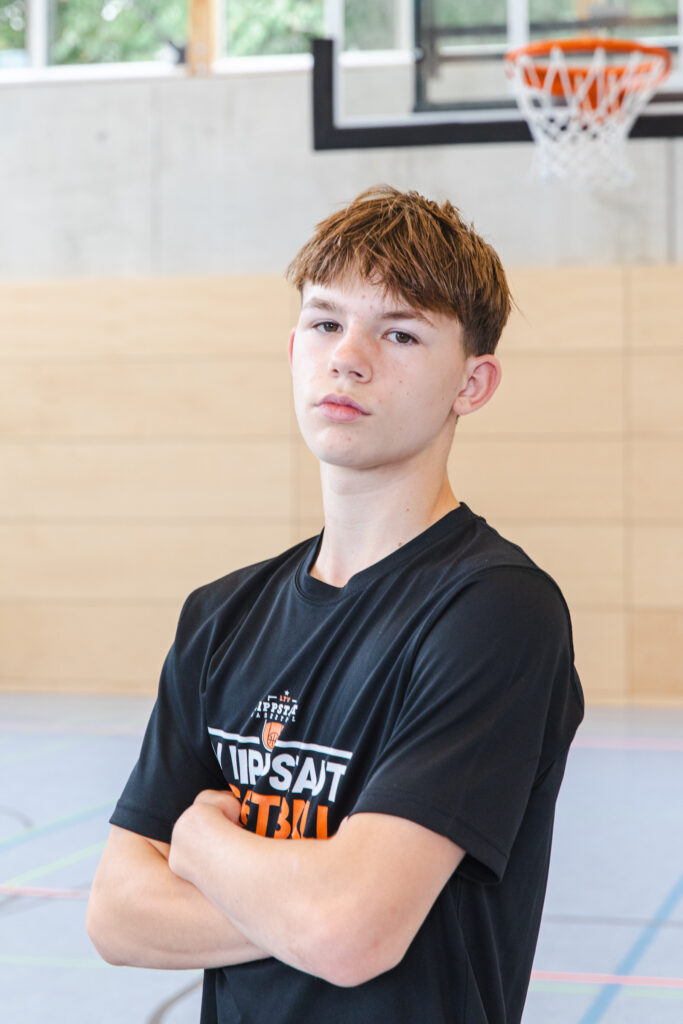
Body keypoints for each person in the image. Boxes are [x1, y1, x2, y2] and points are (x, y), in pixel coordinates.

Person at [87, 186, 584, 1023]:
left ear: (472, 383)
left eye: (399, 333)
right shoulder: (220, 615)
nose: (347, 358)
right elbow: (116, 915)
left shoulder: (495, 610)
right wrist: (309, 908)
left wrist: (203, 842)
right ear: (292, 350)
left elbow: (349, 934)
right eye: (324, 324)